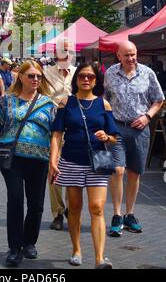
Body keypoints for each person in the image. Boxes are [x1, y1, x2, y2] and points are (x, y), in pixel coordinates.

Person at [0, 60, 55, 267]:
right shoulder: (7, 101)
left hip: (39, 159)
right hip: (13, 159)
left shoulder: (48, 103)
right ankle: (15, 248)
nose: (35, 79)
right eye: (31, 76)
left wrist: (55, 160)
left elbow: (56, 135)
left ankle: (30, 242)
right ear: (21, 77)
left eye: (38, 76)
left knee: (36, 204)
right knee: (16, 200)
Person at [49, 62, 118, 269]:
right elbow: (56, 134)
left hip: (97, 162)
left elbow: (114, 136)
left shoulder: (103, 104)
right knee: (75, 208)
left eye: (90, 76)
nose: (86, 79)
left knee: (97, 208)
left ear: (96, 80)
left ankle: (99, 258)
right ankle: (76, 250)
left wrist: (106, 136)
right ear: (76, 78)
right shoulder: (65, 103)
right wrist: (54, 159)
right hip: (71, 161)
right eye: (82, 76)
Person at [104, 41, 164, 236]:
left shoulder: (148, 73)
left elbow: (159, 99)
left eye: (133, 54)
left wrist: (147, 116)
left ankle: (130, 214)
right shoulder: (110, 73)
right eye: (127, 55)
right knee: (118, 170)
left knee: (134, 173)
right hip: (117, 128)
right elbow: (104, 98)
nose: (131, 58)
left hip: (140, 129)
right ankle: (117, 214)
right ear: (118, 55)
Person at [44, 41, 76, 231]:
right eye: (62, 54)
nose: (65, 57)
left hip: (74, 128)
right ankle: (57, 213)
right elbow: (44, 99)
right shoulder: (47, 74)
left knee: (72, 171)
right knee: (54, 170)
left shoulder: (78, 74)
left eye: (68, 54)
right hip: (54, 126)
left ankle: (71, 210)